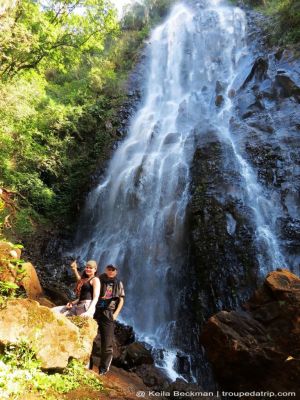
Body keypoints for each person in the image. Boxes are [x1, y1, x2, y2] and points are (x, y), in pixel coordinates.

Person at [94, 264, 125, 375]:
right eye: (109, 269)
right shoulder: (99, 279)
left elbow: (121, 299)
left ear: (116, 272)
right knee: (89, 334)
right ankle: (87, 362)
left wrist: (116, 314)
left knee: (107, 342)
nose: (111, 271)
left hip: (108, 313)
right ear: (106, 270)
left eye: (113, 270)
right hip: (96, 310)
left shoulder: (118, 283)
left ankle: (103, 369)